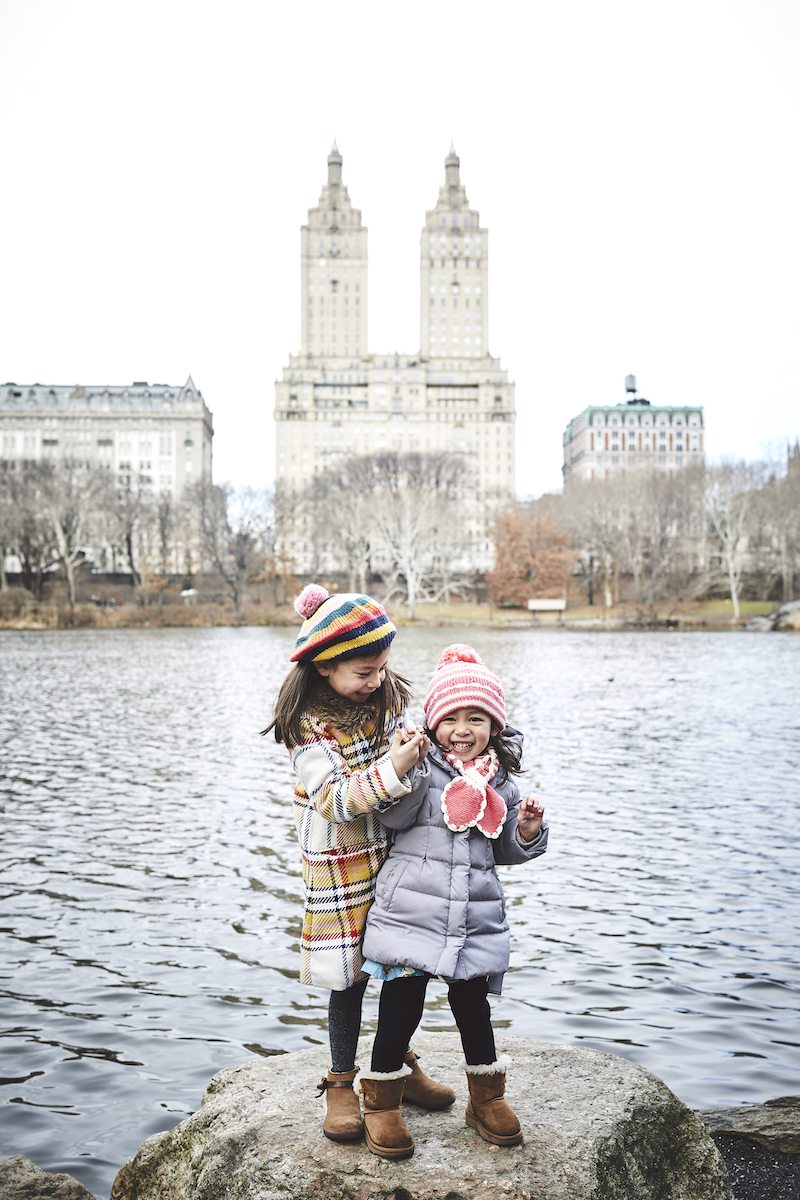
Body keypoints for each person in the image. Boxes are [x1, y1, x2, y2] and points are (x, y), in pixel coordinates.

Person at [264, 584, 454, 1143]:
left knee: (405, 963)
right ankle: (342, 1080)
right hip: (340, 864)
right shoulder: (306, 731)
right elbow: (337, 802)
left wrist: (414, 743)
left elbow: (404, 744)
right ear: (325, 667)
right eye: (363, 672)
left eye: (381, 667)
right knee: (347, 979)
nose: (375, 681)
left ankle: (395, 1066)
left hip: (397, 856)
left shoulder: (383, 694)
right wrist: (395, 768)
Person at [357, 643, 549, 1160]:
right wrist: (406, 768)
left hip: (473, 915)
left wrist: (527, 830)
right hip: (412, 912)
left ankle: (486, 1099)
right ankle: (380, 1100)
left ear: (495, 727)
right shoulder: (421, 766)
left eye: (476, 719)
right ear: (434, 723)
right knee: (402, 1004)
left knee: (473, 1006)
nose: (463, 730)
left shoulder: (499, 782)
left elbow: (503, 848)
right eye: (452, 719)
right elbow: (393, 820)